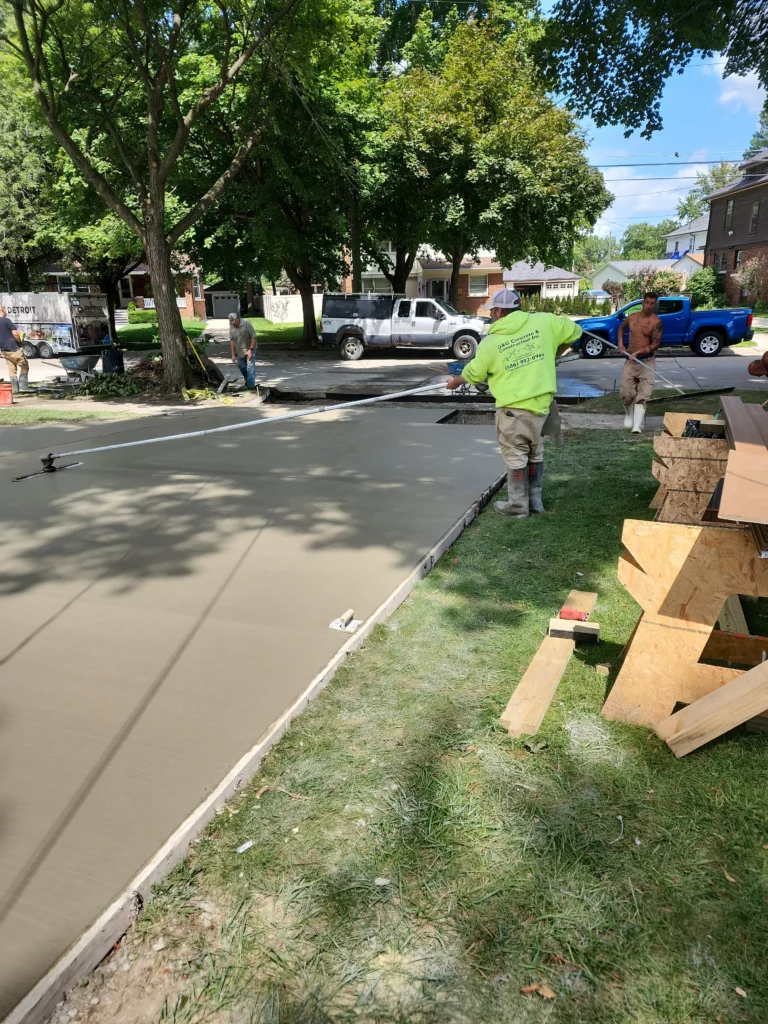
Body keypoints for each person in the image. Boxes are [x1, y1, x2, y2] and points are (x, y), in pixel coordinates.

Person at [445, 288, 582, 517]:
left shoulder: (492, 342)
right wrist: (553, 353)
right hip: (541, 407)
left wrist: (455, 382)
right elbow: (575, 331)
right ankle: (535, 502)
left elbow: (474, 374)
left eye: (493, 312)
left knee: (516, 455)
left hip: (513, 411)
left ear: (498, 311)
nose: (492, 316)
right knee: (535, 451)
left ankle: (518, 506)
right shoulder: (545, 322)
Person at [617, 292, 662, 434]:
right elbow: (621, 328)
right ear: (643, 302)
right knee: (626, 393)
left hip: (647, 362)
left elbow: (655, 344)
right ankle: (628, 415)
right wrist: (620, 343)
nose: (649, 306)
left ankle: (636, 426)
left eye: (652, 303)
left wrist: (640, 352)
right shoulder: (632, 317)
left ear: (655, 305)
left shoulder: (657, 322)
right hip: (630, 361)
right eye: (647, 302)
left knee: (644, 394)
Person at [0, 305, 28, 393]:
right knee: (24, 366)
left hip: (5, 351)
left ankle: (15, 390)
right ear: (2, 310)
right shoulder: (7, 321)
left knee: (12, 370)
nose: (6, 311)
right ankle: (23, 387)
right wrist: (20, 342)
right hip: (14, 348)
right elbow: (15, 334)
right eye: (5, 309)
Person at [229, 311, 257, 390]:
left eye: (234, 322)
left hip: (250, 348)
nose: (233, 324)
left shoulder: (246, 323)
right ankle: (248, 381)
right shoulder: (232, 326)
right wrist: (233, 354)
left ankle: (250, 387)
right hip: (240, 350)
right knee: (241, 365)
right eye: (231, 322)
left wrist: (250, 350)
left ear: (238, 319)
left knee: (250, 367)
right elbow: (232, 340)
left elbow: (254, 337)